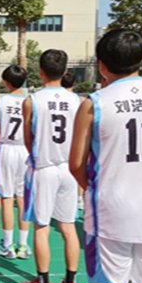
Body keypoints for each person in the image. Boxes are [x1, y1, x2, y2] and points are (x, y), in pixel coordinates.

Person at [70, 29, 142, 283]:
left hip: (111, 212)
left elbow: (76, 163)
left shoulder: (95, 103)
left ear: (101, 65)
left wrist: (95, 190)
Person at [22, 49, 81, 283]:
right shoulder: (78, 100)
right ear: (66, 71)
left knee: (42, 227)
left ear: (40, 71)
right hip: (68, 169)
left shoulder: (32, 100)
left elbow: (28, 138)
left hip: (44, 168)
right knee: (68, 227)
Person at [0, 66, 31, 259]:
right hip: (24, 150)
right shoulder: (30, 101)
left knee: (6, 197)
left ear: (6, 82)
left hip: (6, 148)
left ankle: (7, 245)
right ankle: (23, 245)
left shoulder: (0, 101)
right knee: (22, 199)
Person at [61, 71, 86, 210]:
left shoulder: (53, 99)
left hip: (57, 144)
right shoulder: (80, 100)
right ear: (75, 83)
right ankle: (79, 198)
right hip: (74, 139)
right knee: (78, 167)